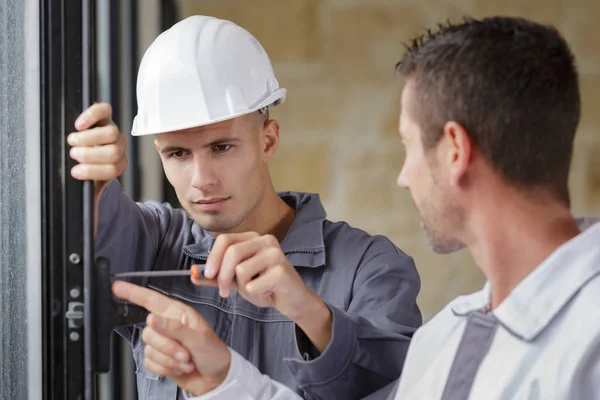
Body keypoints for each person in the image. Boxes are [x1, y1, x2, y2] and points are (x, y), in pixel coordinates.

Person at [111, 15, 600, 400]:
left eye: (407, 146)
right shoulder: (450, 336)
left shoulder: (382, 277)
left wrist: (306, 319)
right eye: (177, 153)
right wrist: (224, 384)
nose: (402, 177)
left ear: (455, 150)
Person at [68, 15, 422, 400]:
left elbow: (396, 383)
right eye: (178, 153)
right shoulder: (155, 243)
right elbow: (87, 241)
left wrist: (307, 310)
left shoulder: (370, 269)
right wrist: (92, 181)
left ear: (268, 141)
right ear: (159, 154)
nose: (201, 179)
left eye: (221, 147)